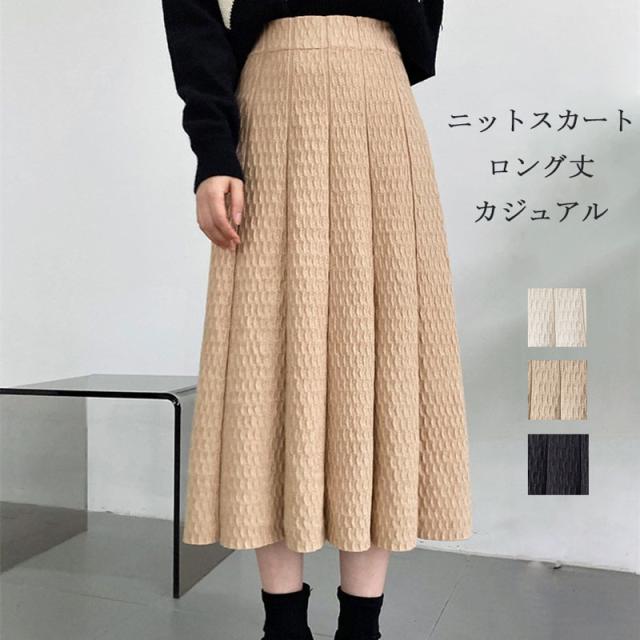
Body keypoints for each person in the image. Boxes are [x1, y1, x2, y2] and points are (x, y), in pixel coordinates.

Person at [161, 2, 473, 638]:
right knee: (269, 355)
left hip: (379, 102)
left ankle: (362, 626)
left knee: (379, 350)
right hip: (270, 106)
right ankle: (283, 626)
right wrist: (213, 153)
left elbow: (423, 32)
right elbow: (196, 29)